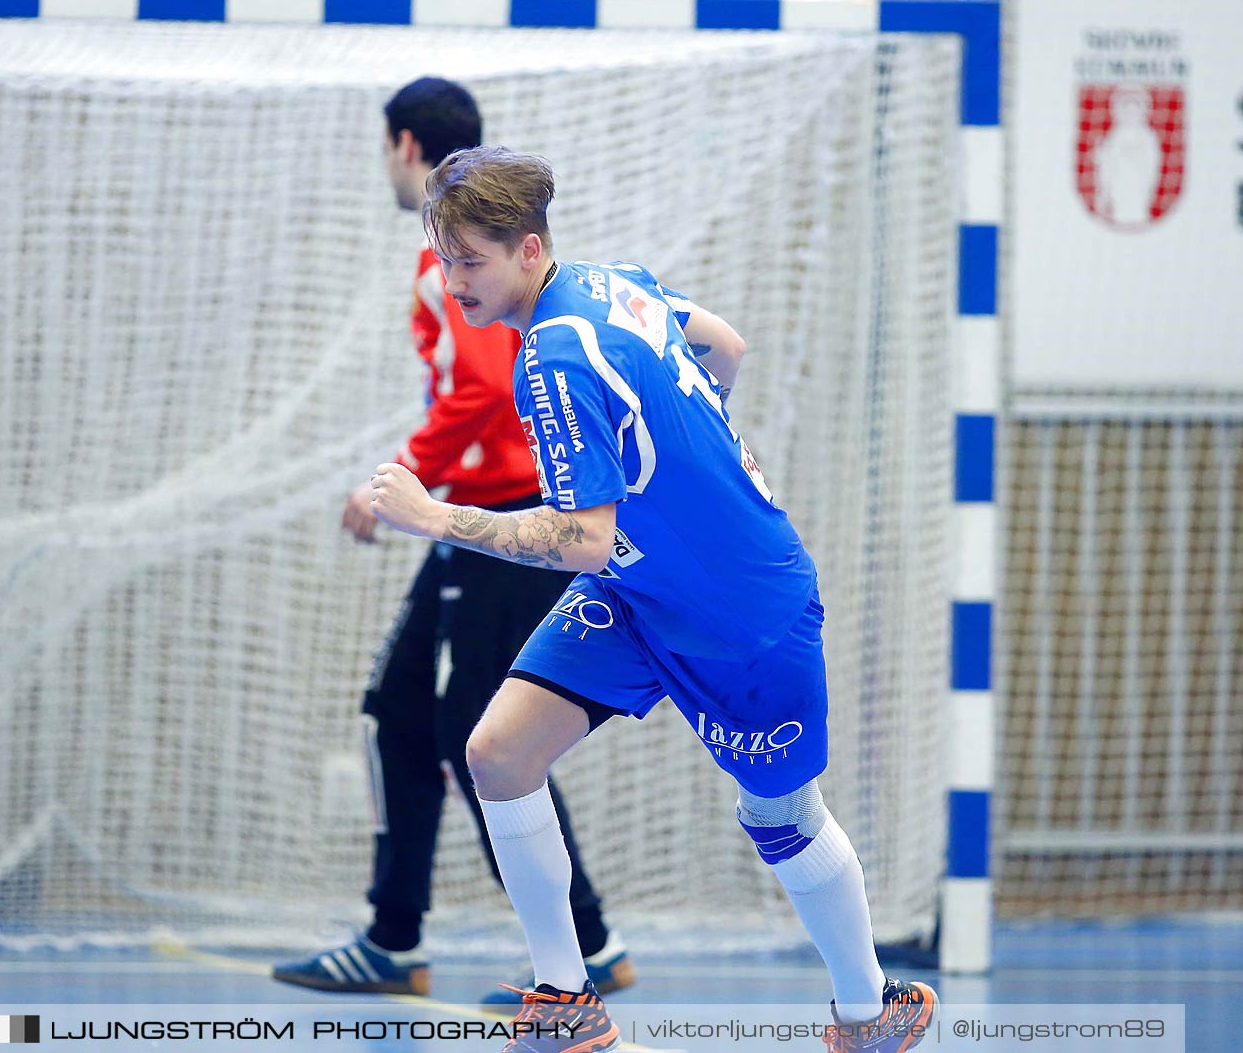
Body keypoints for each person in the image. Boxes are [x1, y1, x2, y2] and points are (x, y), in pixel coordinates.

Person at [368, 146, 939, 1053]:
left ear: (526, 249)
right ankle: (566, 999)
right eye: (445, 260)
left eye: (471, 260)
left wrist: (437, 516)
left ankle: (868, 1013)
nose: (456, 281)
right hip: (638, 595)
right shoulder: (612, 282)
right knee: (499, 754)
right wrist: (679, 476)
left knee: (782, 817)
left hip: (742, 615)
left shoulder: (551, 360)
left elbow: (579, 538)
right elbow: (724, 347)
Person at [272, 80, 633, 1004]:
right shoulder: (458, 254)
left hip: (505, 516)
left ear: (404, 146)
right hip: (475, 513)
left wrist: (401, 479)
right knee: (399, 711)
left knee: (487, 736)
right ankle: (394, 938)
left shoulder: (454, 261)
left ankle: (586, 943)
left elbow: (477, 388)